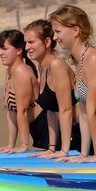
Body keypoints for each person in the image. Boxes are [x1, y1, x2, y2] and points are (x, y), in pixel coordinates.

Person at [49, 5, 96, 162]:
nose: (54, 37)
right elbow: (84, 113)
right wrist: (84, 154)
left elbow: (93, 110)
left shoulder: (94, 58)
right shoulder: (80, 60)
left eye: (58, 31)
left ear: (75, 30)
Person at [23, 18, 80, 158]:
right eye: (25, 43)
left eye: (31, 42)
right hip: (65, 136)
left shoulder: (57, 65)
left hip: (80, 136)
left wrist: (64, 151)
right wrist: (52, 148)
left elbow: (66, 109)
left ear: (47, 42)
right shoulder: (42, 66)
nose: (26, 47)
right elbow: (51, 110)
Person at [0, 29, 42, 153]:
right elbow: (12, 112)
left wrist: (23, 145)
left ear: (19, 50)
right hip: (38, 134)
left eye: (4, 48)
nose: (0, 53)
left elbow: (22, 111)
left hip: (46, 130)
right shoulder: (10, 71)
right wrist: (10, 146)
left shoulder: (21, 71)